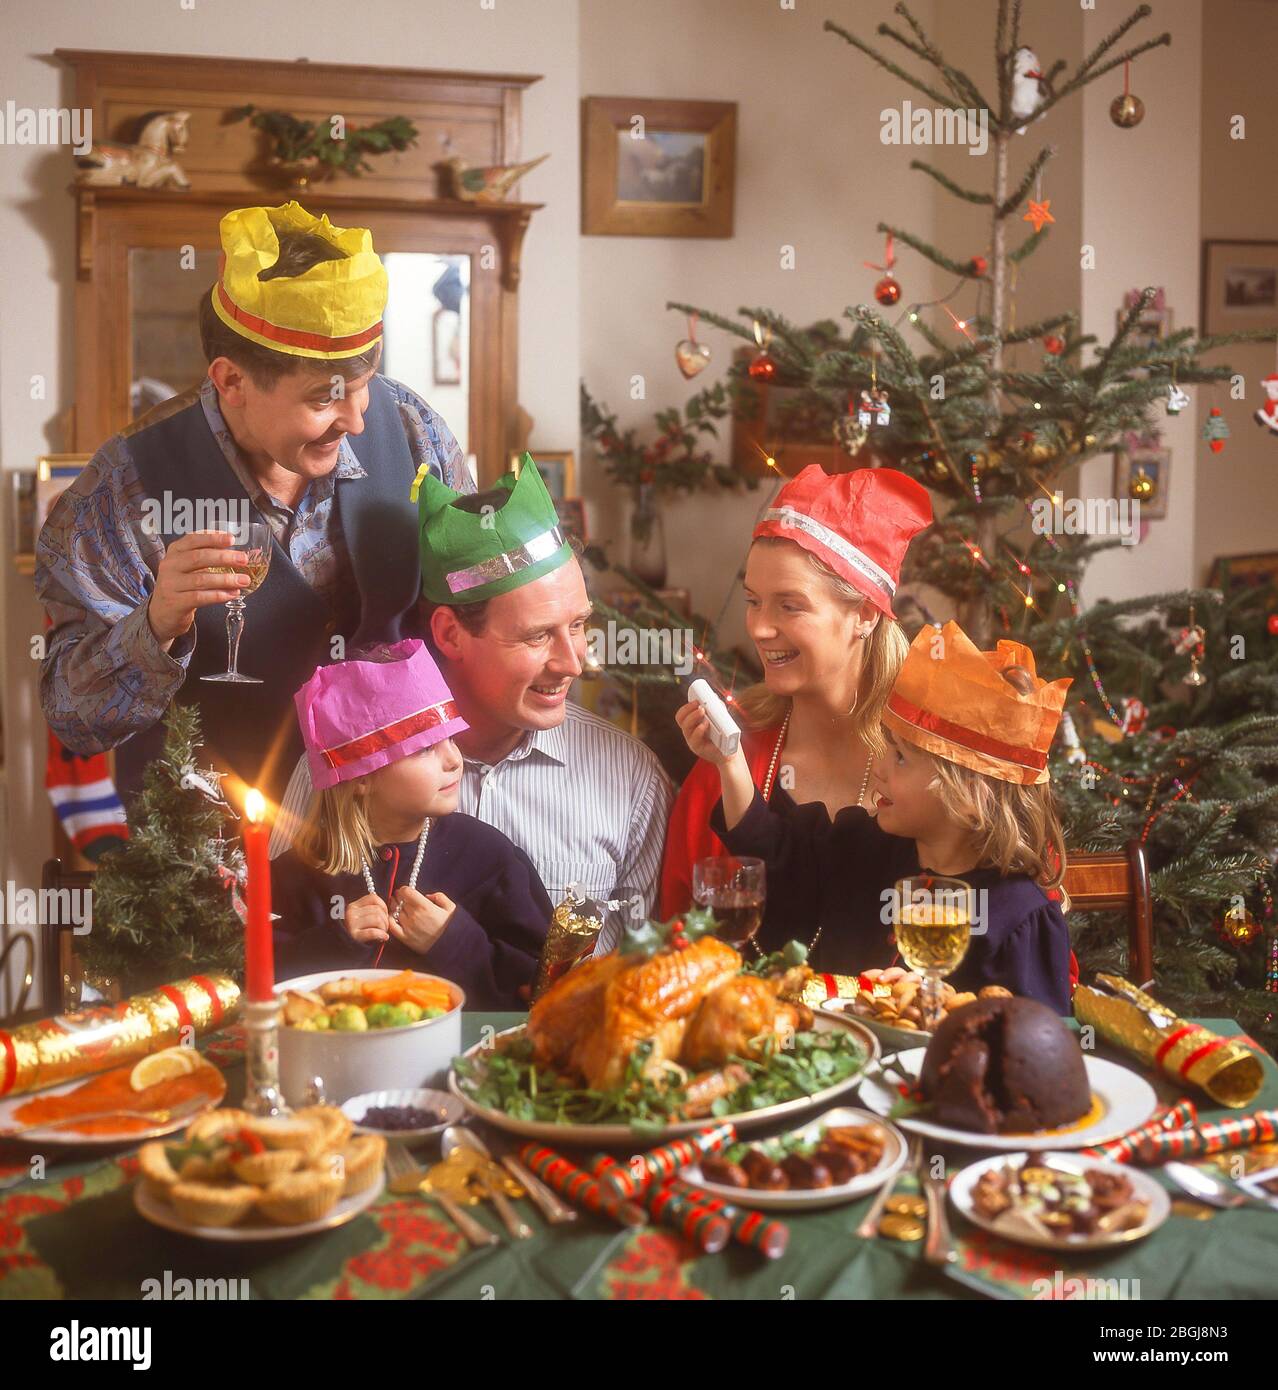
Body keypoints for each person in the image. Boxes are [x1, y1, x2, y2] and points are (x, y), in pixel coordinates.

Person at [38, 200, 472, 808]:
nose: (355, 417)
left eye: (365, 382)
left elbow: (473, 612)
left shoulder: (411, 428)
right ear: (231, 381)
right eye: (325, 398)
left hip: (394, 832)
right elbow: (74, 721)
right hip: (210, 857)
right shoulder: (119, 489)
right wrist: (156, 626)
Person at [678, 620, 1074, 1013]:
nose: (880, 767)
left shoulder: (1021, 918)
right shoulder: (865, 849)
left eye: (900, 757)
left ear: (968, 796)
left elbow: (1040, 1052)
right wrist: (730, 762)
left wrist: (942, 1005)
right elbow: (778, 853)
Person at [659, 465, 933, 917]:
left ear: (864, 615)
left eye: (790, 606)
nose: (760, 628)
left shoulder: (933, 761)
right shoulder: (726, 759)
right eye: (752, 601)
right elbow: (674, 934)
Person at [415, 454, 674, 917]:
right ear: (450, 634)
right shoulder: (349, 768)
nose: (573, 663)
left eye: (577, 626)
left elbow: (646, 976)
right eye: (537, 636)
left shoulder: (633, 781)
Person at [271, 640, 550, 1010]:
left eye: (450, 738)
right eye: (424, 749)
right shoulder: (297, 874)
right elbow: (255, 981)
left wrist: (455, 942)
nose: (454, 760)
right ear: (361, 777)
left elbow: (543, 987)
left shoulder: (490, 857)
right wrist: (336, 942)